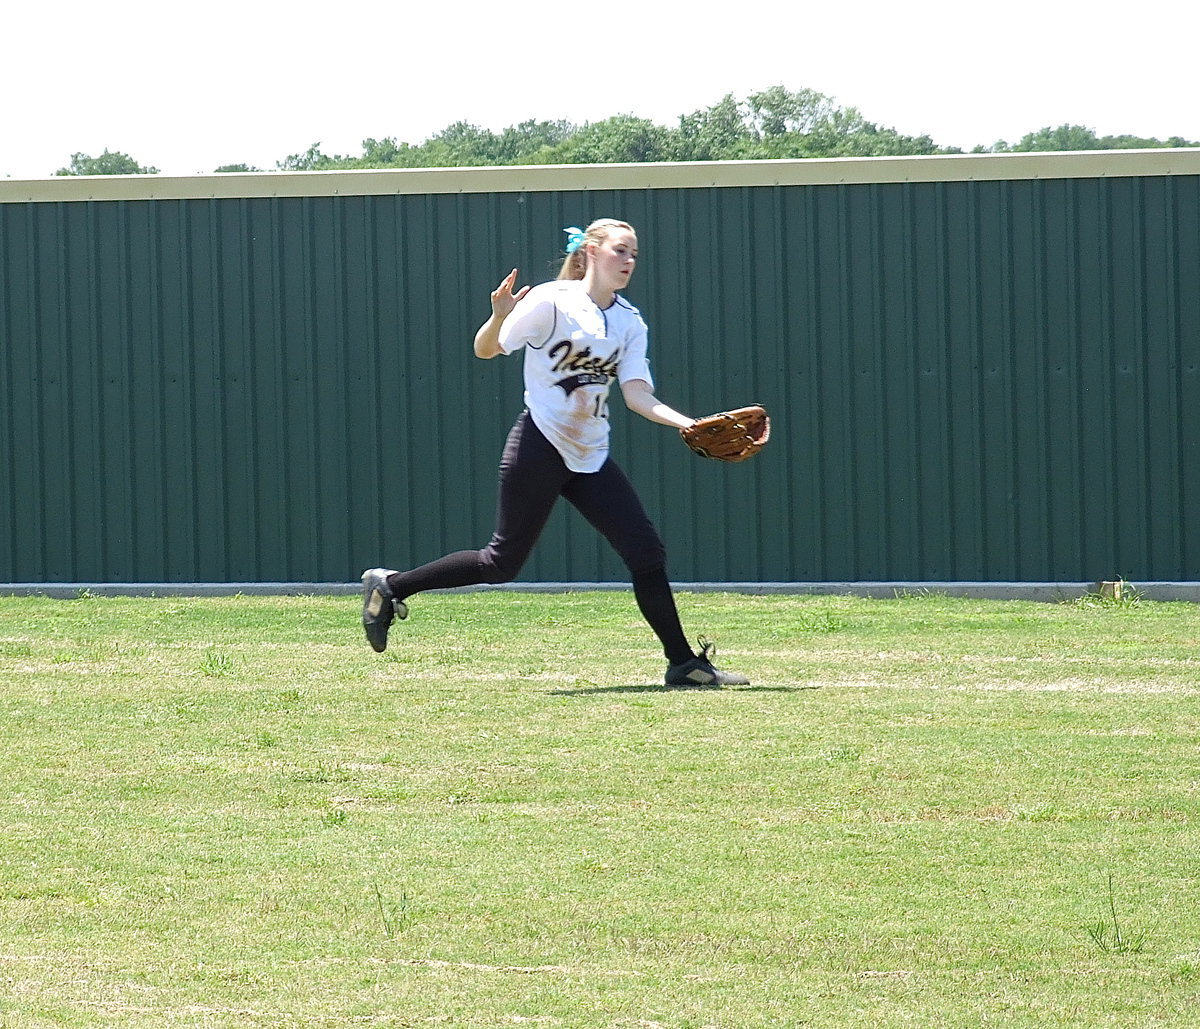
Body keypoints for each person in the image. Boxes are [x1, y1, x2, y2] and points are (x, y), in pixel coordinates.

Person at [361, 218, 748, 687]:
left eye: (634, 254)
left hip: (591, 454)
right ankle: (391, 586)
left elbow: (637, 394)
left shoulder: (629, 320)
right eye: (620, 250)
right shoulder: (552, 300)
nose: (628, 261)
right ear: (591, 252)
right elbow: (485, 349)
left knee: (646, 553)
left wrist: (686, 422)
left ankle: (683, 664)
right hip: (539, 443)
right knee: (500, 564)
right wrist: (499, 315)